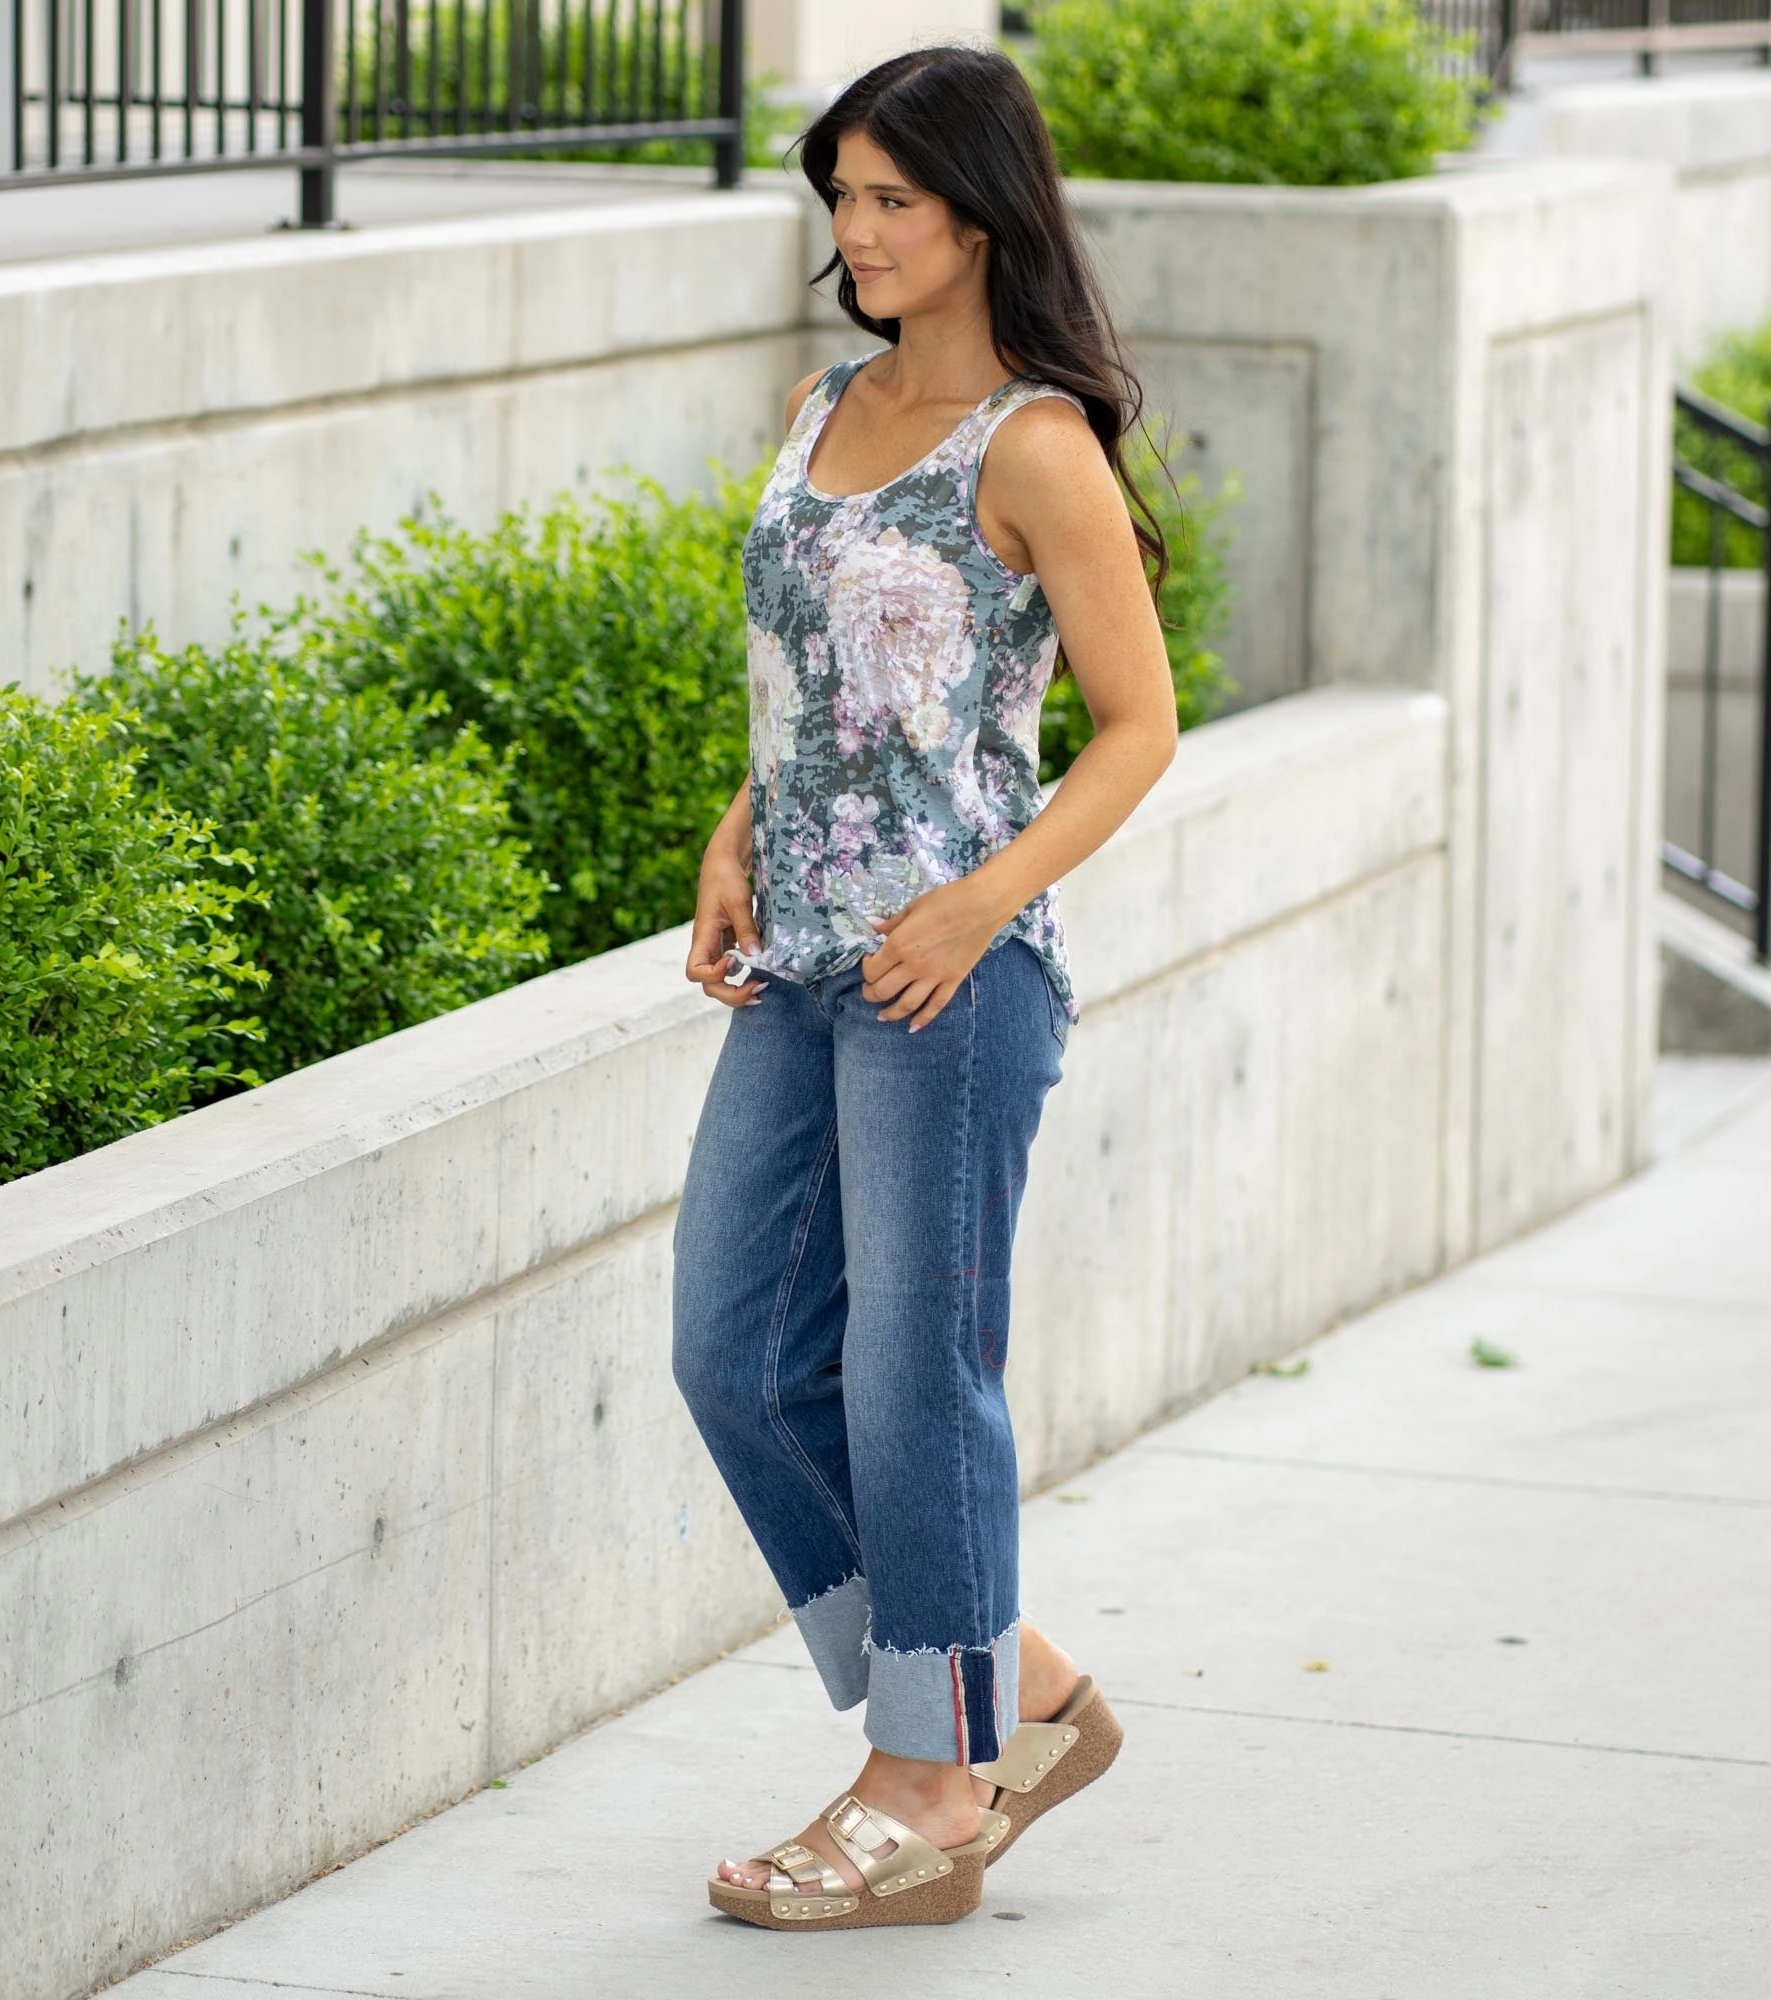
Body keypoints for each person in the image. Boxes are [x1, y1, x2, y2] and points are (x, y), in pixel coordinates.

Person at [671, 42, 1177, 1932]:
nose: (858, 230)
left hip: (949, 987)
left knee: (911, 1384)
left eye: (893, 198)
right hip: (801, 956)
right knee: (735, 1358)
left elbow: (1137, 729)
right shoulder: (824, 403)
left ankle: (929, 1790)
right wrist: (737, 833)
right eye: (843, 197)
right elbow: (818, 689)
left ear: (982, 214)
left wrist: (978, 907)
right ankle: (1007, 1688)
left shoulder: (1034, 447)